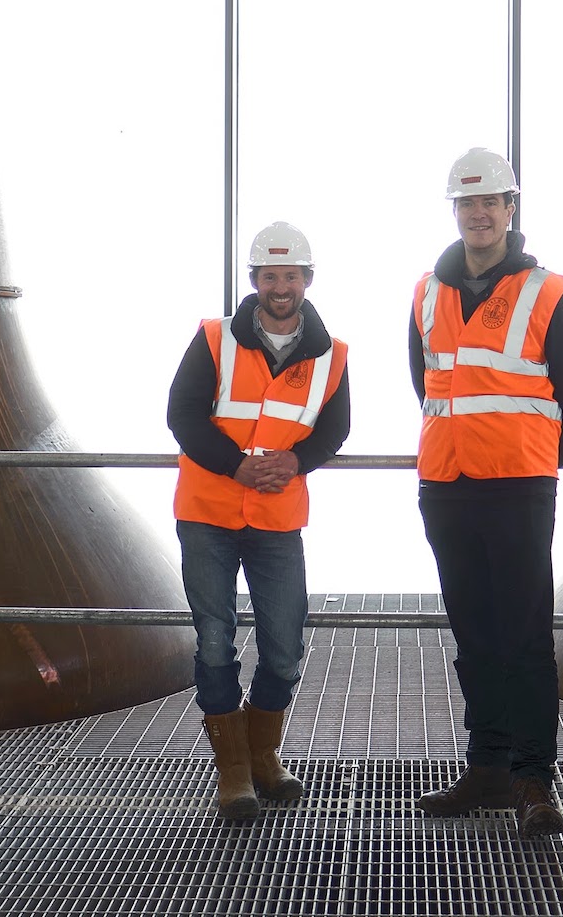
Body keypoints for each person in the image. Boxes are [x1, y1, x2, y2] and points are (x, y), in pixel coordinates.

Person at [409, 148, 563, 838]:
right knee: (475, 637)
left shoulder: (553, 296)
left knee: (524, 639)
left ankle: (534, 781)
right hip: (448, 489)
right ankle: (487, 767)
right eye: (467, 203)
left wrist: (536, 460)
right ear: (455, 211)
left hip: (519, 490)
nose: (479, 213)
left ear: (511, 209)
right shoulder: (427, 293)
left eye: (491, 201)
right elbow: (428, 385)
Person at [167, 221, 350, 822]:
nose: (281, 287)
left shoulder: (332, 356)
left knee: (284, 648)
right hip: (209, 513)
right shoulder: (215, 339)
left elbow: (335, 428)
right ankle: (237, 772)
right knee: (216, 642)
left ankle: (262, 754)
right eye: (270, 276)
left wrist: (299, 460)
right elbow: (182, 415)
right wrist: (235, 468)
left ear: (307, 281)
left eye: (290, 276)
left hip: (276, 518)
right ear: (254, 281)